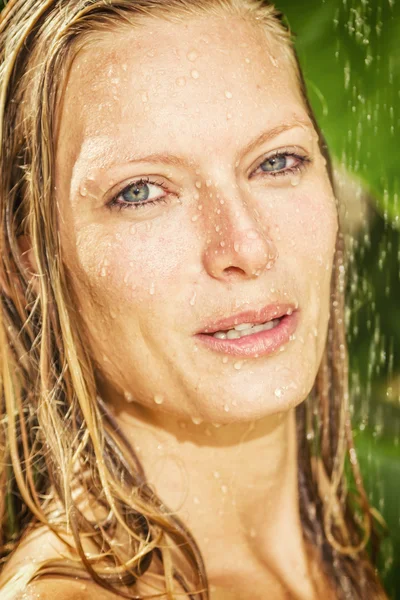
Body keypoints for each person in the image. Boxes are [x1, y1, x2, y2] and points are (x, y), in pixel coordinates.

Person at [0, 0, 389, 598]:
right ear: (25, 261)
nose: (247, 247)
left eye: (277, 160)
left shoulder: (345, 544)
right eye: (141, 192)